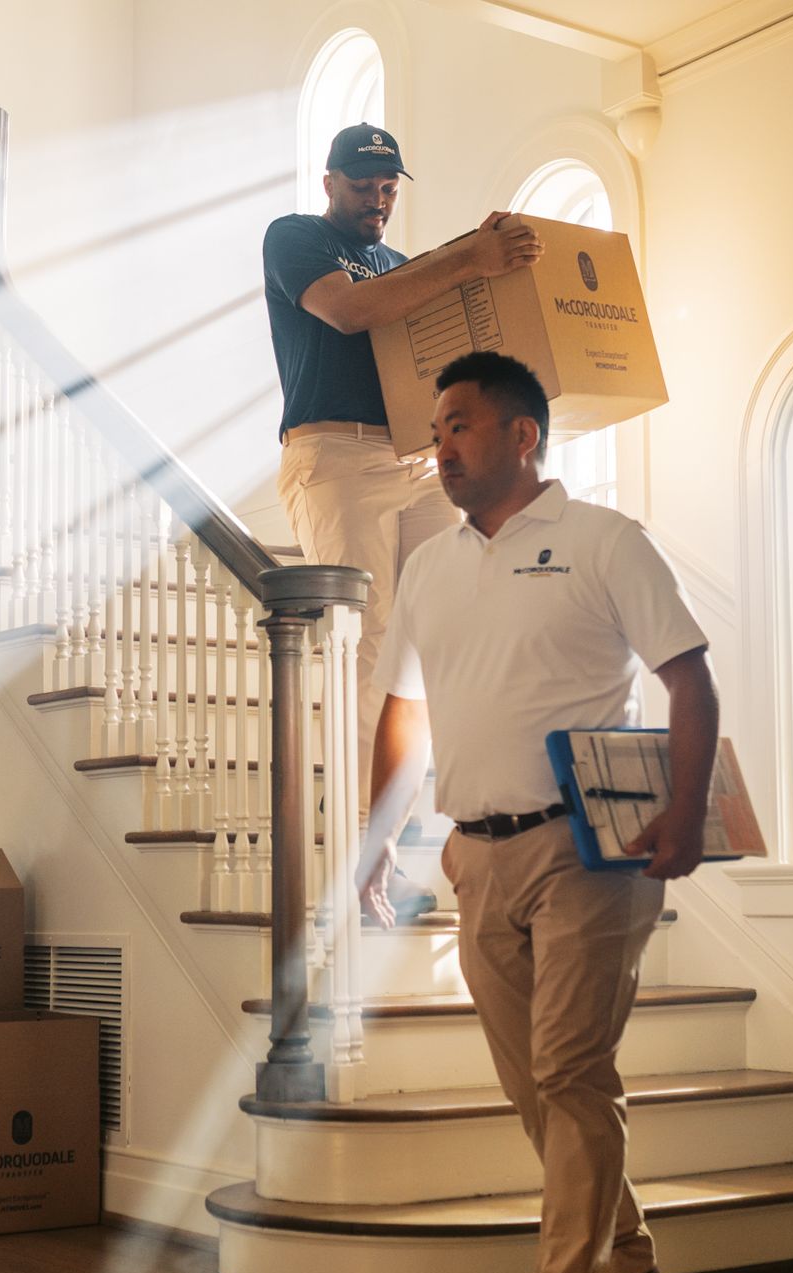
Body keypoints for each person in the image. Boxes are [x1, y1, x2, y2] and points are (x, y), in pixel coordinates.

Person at [359, 352, 718, 1273]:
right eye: (437, 429)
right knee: (536, 1087)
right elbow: (405, 711)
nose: (442, 445)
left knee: (568, 1072)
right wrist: (382, 836)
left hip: (586, 851)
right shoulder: (428, 566)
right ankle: (633, 1259)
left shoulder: (605, 541)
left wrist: (685, 810)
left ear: (523, 435)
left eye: (460, 424)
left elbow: (686, 675)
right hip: (474, 854)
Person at [263, 123, 543, 918]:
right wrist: (466, 257)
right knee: (365, 644)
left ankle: (410, 829)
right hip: (335, 455)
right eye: (362, 183)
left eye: (388, 186)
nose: (377, 198)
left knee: (430, 649)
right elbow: (351, 313)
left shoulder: (402, 263)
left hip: (414, 459)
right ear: (329, 182)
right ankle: (361, 845)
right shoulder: (295, 239)